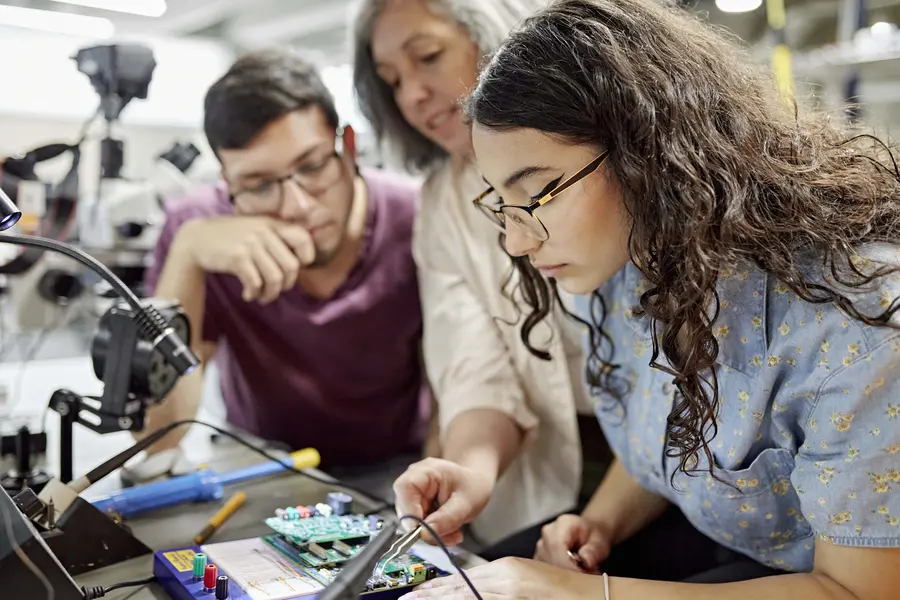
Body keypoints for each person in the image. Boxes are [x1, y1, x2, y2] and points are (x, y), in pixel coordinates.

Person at [397, 0, 900, 598]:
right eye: (501, 203)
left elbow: (858, 591)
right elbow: (677, 434)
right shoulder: (628, 265)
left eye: (537, 193)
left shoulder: (857, 326)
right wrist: (601, 524)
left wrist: (579, 593)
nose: (516, 238)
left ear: (651, 151)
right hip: (731, 546)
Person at [352, 0, 613, 545]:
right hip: (557, 469)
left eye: (427, 57)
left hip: (685, 462)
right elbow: (472, 362)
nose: (412, 95)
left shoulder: (610, 158)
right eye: (392, 80)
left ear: (499, 34)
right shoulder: (444, 204)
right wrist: (470, 469)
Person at [140, 48, 429, 480]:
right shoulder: (198, 229)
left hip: (397, 468)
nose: (296, 207)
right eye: (257, 186)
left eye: (312, 167)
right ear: (227, 183)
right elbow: (159, 439)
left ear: (348, 147)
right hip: (256, 464)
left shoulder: (416, 218)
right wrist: (187, 255)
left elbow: (461, 383)